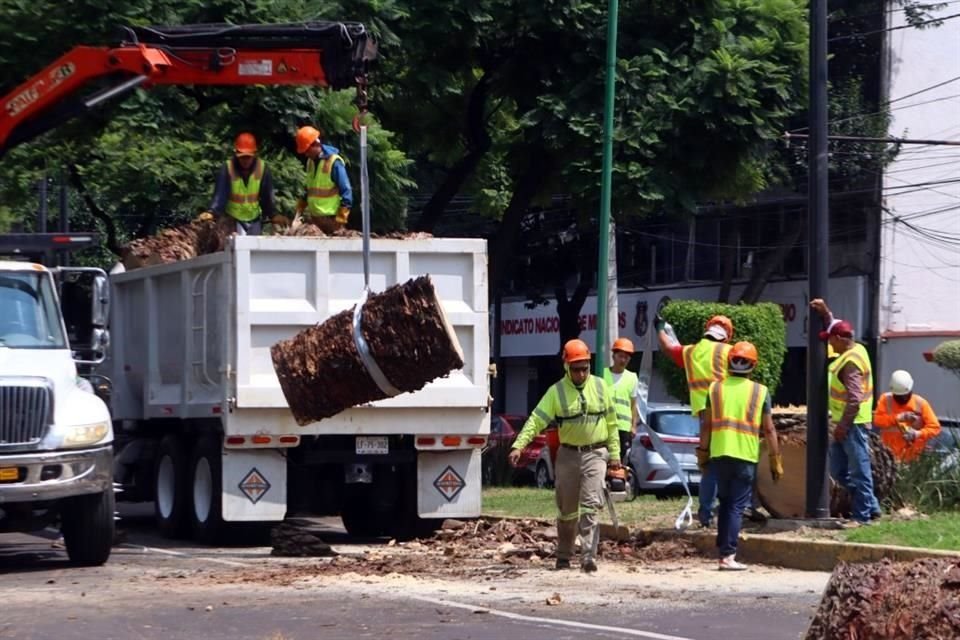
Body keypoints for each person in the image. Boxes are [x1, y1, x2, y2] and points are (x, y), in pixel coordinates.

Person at [508, 339, 620, 573]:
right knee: (567, 511)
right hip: (568, 455)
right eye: (576, 368)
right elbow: (536, 420)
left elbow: (612, 424)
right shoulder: (556, 392)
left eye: (585, 368)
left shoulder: (601, 387)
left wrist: (615, 456)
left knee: (590, 506)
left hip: (596, 453)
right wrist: (519, 445)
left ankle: (589, 556)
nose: (581, 373)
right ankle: (564, 555)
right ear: (566, 367)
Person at [697, 341, 783, 571]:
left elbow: (706, 426)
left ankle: (723, 551)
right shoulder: (760, 391)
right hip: (745, 456)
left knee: (724, 503)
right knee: (736, 506)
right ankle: (728, 555)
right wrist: (775, 458)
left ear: (729, 363)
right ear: (753, 366)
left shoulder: (714, 389)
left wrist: (702, 454)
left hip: (719, 454)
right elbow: (769, 429)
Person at [656, 314, 734, 527]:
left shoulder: (690, 351)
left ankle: (706, 515)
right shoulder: (729, 351)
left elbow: (667, 347)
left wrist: (659, 327)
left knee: (709, 466)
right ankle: (738, 508)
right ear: (726, 335)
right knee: (735, 463)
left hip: (704, 416)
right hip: (729, 414)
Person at [810, 298, 881, 525]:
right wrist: (826, 313)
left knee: (859, 472)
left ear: (840, 339)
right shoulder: (856, 347)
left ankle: (863, 517)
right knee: (839, 471)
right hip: (847, 425)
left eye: (830, 339)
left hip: (853, 425)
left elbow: (855, 399)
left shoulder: (850, 363)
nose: (829, 344)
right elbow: (838, 327)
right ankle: (871, 505)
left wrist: (842, 426)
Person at [204, 132, 276, 235]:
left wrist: (273, 214)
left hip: (254, 219)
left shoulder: (262, 168)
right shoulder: (228, 168)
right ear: (236, 154)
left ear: (254, 154)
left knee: (255, 249)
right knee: (237, 248)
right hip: (233, 219)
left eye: (248, 157)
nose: (245, 161)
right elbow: (220, 195)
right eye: (242, 157)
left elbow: (267, 196)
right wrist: (212, 212)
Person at [293, 125, 353, 234]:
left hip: (332, 219)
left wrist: (341, 216)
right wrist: (301, 205)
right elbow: (311, 188)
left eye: (307, 150)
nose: (306, 154)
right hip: (316, 219)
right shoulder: (310, 162)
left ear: (315, 145)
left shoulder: (334, 162)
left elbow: (346, 190)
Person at [873, 370, 941, 462]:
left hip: (913, 458)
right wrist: (898, 417)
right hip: (889, 456)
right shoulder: (886, 399)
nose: (903, 399)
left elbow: (935, 428)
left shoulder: (920, 403)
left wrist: (917, 434)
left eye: (905, 395)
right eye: (899, 396)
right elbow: (877, 420)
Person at [602, 337, 642, 463]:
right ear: (613, 356)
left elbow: (633, 404)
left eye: (626, 357)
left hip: (623, 428)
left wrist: (633, 426)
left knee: (618, 462)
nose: (623, 360)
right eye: (620, 356)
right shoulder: (602, 374)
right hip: (604, 427)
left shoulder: (632, 378)